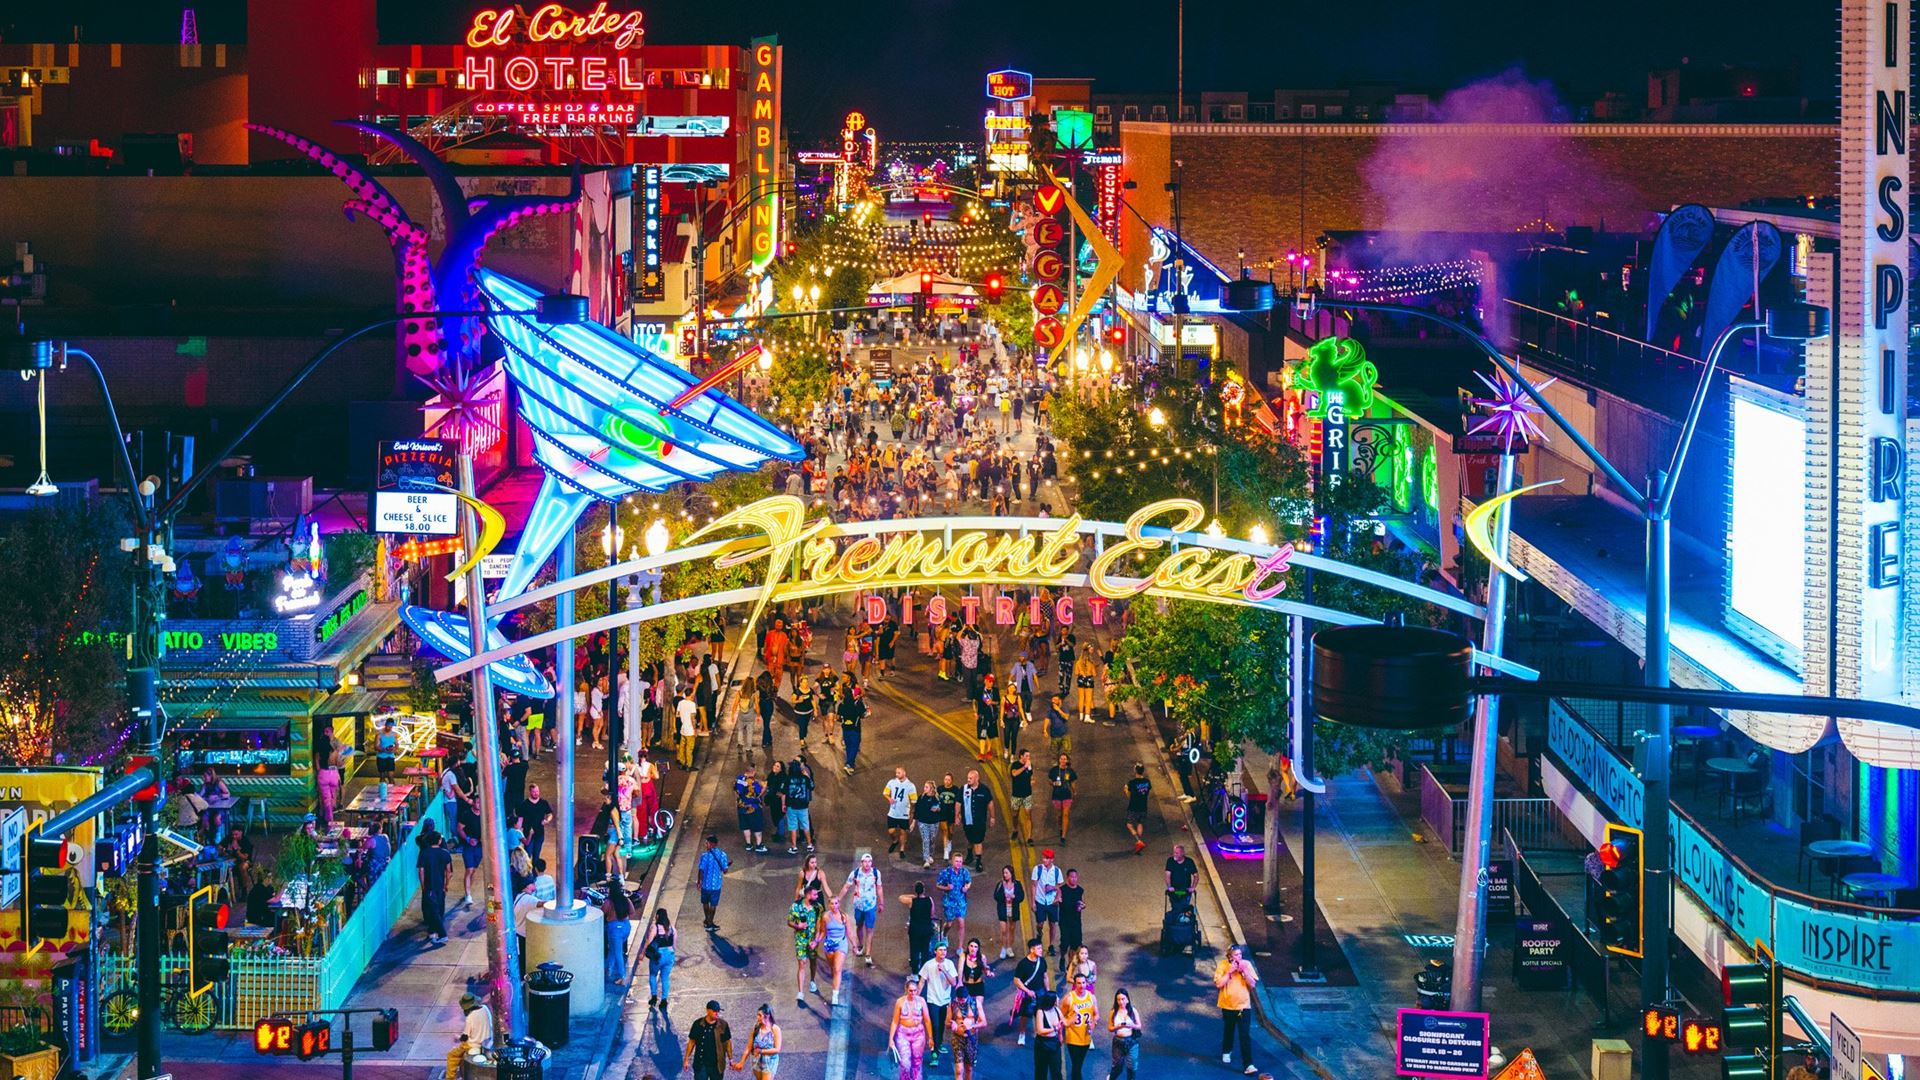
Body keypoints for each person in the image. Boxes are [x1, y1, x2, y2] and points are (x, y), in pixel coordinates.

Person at [1213, 944, 1259, 1075]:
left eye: (1240, 955)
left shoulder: (1246, 964)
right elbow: (1219, 984)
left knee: (1244, 1035)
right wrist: (1230, 972)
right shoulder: (1222, 965)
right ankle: (1227, 1050)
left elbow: (1253, 984)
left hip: (1243, 1006)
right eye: (1235, 956)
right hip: (1227, 1005)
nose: (1238, 958)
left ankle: (1248, 1064)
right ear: (1229, 957)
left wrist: (1244, 972)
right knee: (1229, 1030)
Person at [919, 940, 960, 1064]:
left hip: (945, 1000)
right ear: (935, 951)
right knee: (935, 1025)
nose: (943, 952)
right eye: (941, 950)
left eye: (945, 950)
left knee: (942, 1024)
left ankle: (939, 1043)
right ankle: (934, 1052)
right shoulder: (928, 965)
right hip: (933, 1000)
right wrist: (916, 996)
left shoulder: (949, 964)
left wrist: (944, 971)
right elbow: (922, 981)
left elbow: (953, 983)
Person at [840, 851, 884, 963]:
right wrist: (838, 899)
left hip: (871, 905)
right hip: (858, 905)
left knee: (869, 929)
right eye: (865, 862)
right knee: (859, 925)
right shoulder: (855, 873)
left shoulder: (875, 873)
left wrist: (881, 903)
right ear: (861, 863)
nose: (868, 864)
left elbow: (879, 888)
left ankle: (868, 953)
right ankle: (860, 945)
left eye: (870, 861)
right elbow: (846, 887)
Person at [889, 975, 931, 1080]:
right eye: (910, 991)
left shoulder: (921, 1001)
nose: (913, 993)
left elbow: (927, 1020)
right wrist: (891, 1039)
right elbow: (895, 1021)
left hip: (918, 1035)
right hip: (903, 1034)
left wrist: (931, 1037)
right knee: (905, 1063)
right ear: (906, 990)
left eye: (915, 991)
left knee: (917, 1060)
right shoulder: (900, 1002)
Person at [1061, 970, 1099, 1080]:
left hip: (1086, 1037)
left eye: (1083, 983)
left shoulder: (1091, 997)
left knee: (1079, 1064)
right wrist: (1067, 1022)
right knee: (1076, 1065)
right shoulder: (1069, 999)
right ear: (1074, 984)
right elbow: (1060, 1015)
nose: (1082, 985)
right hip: (1073, 1038)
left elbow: (1096, 1015)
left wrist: (1093, 1023)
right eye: (1079, 983)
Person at [814, 894, 851, 1005]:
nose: (834, 905)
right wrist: (815, 942)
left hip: (841, 944)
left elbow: (849, 932)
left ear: (838, 904)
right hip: (829, 945)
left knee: (837, 969)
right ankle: (836, 984)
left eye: (836, 903)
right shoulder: (825, 917)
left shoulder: (844, 917)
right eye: (832, 903)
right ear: (829, 905)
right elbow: (823, 932)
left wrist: (855, 945)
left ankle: (835, 995)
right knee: (832, 968)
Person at [1011, 938, 1049, 1046]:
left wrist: (1048, 991)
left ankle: (1039, 1033)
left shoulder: (1042, 961)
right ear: (1032, 950)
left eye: (1041, 948)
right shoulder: (1023, 964)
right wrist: (1027, 991)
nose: (1041, 950)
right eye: (1039, 948)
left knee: (1040, 1013)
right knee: (1025, 1015)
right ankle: (1022, 1034)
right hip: (1027, 994)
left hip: (1040, 991)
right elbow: (1016, 980)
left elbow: (1045, 976)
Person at [788, 884, 821, 1004]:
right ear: (807, 895)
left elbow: (819, 926)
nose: (817, 896)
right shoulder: (795, 906)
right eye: (815, 894)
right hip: (800, 940)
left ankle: (812, 980)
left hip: (812, 941)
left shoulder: (818, 907)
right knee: (802, 963)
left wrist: (816, 940)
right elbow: (789, 921)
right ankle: (800, 992)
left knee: (813, 961)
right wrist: (798, 926)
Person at [448, 992, 492, 1080]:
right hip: (487, 1044)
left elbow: (465, 1036)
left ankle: (450, 1078)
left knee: (452, 1056)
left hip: (473, 1045)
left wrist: (458, 1038)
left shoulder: (470, 1017)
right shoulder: (485, 1008)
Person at [733, 1003, 783, 1079]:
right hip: (756, 1062)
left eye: (760, 1015)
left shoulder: (775, 1029)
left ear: (767, 1016)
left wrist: (761, 1051)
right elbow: (748, 1047)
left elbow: (777, 1049)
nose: (757, 1017)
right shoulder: (756, 1028)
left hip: (769, 1062)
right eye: (757, 1015)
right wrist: (741, 1062)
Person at [685, 1000, 732, 1080]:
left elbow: (727, 1043)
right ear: (707, 1010)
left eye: (718, 1011)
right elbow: (691, 1042)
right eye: (714, 1011)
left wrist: (731, 1059)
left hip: (717, 1065)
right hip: (701, 1064)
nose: (717, 1013)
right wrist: (686, 1059)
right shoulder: (698, 1024)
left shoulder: (723, 1025)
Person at [419, 830, 451, 945]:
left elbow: (421, 871)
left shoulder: (424, 853)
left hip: (429, 887)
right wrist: (446, 885)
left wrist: (423, 886)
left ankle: (442, 934)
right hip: (440, 887)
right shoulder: (445, 853)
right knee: (439, 909)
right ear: (439, 840)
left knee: (433, 910)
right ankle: (432, 932)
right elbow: (449, 872)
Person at [1030, 849, 1064, 955]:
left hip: (1052, 902)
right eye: (1044, 857)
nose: (1044, 860)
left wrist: (1053, 890)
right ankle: (1039, 934)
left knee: (1052, 924)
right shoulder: (1037, 869)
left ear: (1052, 860)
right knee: (1040, 923)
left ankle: (1051, 945)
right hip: (1040, 901)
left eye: (1047, 858)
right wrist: (1033, 902)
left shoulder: (1057, 871)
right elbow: (1033, 885)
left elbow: (1060, 886)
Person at [948, 987, 986, 1080]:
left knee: (968, 1069)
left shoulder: (975, 1003)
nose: (961, 1002)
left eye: (963, 999)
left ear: (967, 996)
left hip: (971, 1038)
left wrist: (972, 1026)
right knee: (959, 1070)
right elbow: (947, 1023)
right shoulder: (953, 1004)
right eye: (959, 999)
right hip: (957, 1038)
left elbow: (984, 1022)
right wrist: (951, 1024)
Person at [936, 853, 973, 946]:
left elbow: (969, 882)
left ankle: (960, 947)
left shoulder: (965, 872)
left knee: (961, 923)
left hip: (961, 902)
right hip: (949, 902)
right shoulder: (945, 873)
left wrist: (966, 887)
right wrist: (947, 888)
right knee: (949, 924)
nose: (959, 863)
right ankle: (944, 935)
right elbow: (938, 885)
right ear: (952, 861)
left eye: (960, 861)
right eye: (956, 861)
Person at [1106, 989, 1143, 1080]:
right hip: (1118, 1041)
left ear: (1127, 999)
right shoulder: (1113, 1011)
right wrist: (1117, 1027)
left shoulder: (1133, 1011)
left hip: (1131, 1041)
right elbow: (1110, 1028)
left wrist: (1132, 1025)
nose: (1121, 1002)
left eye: (1123, 999)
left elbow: (1139, 1026)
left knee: (1132, 1066)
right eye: (1118, 999)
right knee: (1117, 1066)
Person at [901, 881, 937, 972]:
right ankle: (924, 971)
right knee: (925, 950)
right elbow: (932, 914)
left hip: (915, 930)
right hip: (926, 929)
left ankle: (915, 972)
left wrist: (913, 896)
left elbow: (900, 897)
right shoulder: (930, 899)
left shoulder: (911, 901)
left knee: (914, 951)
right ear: (924, 890)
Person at [697, 835, 730, 931]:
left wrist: (699, 881)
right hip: (716, 886)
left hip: (705, 885)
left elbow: (701, 870)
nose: (705, 845)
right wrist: (727, 864)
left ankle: (707, 920)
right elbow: (725, 870)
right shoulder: (722, 855)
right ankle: (710, 923)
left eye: (707, 843)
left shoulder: (704, 856)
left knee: (705, 903)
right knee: (713, 905)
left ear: (711, 844)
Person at [993, 865, 1025, 959]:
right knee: (1003, 930)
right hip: (1003, 908)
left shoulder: (1017, 884)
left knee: (1011, 929)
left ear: (1011, 874)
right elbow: (995, 896)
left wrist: (1015, 897)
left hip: (1013, 909)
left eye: (1007, 873)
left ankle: (1009, 948)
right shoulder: (1000, 884)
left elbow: (1021, 896)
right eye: (1004, 873)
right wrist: (1004, 898)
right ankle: (1003, 947)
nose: (1005, 875)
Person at [1032, 990, 1065, 1080]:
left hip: (1054, 1043)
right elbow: (1040, 1030)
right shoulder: (1040, 1011)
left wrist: (1060, 1035)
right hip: (1042, 1044)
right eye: (1056, 998)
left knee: (1056, 1070)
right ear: (1052, 1001)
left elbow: (1063, 1023)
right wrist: (1054, 1029)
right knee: (1041, 1070)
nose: (1058, 999)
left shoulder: (1057, 1010)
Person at [605, 883, 633, 985]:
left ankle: (622, 977)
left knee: (617, 953)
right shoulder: (626, 900)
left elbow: (602, 912)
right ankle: (608, 968)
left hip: (614, 929)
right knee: (613, 949)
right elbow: (632, 911)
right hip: (626, 927)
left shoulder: (609, 902)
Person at [885, 767, 917, 858]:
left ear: (904, 773)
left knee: (903, 832)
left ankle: (902, 849)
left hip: (904, 814)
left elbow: (914, 801)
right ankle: (895, 840)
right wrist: (889, 799)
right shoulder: (892, 782)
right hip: (893, 812)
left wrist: (912, 815)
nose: (896, 774)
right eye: (896, 773)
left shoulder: (910, 786)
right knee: (891, 831)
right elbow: (885, 793)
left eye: (898, 773)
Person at [785, 759, 816, 853]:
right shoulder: (804, 778)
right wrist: (807, 777)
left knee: (793, 826)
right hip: (803, 807)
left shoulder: (788, 779)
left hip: (791, 807)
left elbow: (784, 791)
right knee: (805, 826)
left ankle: (794, 847)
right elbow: (812, 786)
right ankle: (809, 845)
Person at [520, 783, 555, 867]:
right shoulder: (524, 804)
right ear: (530, 792)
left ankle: (535, 873)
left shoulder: (543, 803)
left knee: (536, 856)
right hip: (528, 834)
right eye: (534, 792)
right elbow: (520, 817)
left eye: (537, 791)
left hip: (539, 834)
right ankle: (528, 874)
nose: (536, 793)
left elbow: (550, 814)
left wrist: (547, 820)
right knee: (528, 855)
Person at [735, 767, 768, 853]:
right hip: (754, 808)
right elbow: (758, 794)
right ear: (753, 772)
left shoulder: (738, 779)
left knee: (745, 826)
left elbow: (737, 790)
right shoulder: (754, 784)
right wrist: (764, 787)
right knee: (757, 828)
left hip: (741, 807)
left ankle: (748, 844)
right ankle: (759, 845)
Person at [1048, 755, 1078, 843]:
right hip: (1056, 794)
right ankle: (1061, 827)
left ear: (1067, 760)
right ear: (1059, 760)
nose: (1063, 760)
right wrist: (1053, 783)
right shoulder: (1054, 770)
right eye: (1061, 759)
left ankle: (1063, 836)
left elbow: (1073, 782)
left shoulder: (1070, 771)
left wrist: (1074, 791)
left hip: (1067, 794)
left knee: (1065, 815)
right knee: (1059, 815)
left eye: (1065, 759)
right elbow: (1049, 780)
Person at [838, 685, 866, 774]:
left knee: (849, 746)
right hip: (855, 729)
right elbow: (863, 714)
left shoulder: (841, 705)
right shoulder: (857, 704)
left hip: (845, 729)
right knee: (855, 746)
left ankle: (850, 763)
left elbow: (838, 718)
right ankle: (849, 764)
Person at [1123, 765, 1151, 855]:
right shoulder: (1147, 782)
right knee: (1140, 823)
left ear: (1135, 771)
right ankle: (1139, 841)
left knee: (1129, 824)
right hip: (1143, 806)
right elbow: (1147, 792)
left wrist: (1126, 790)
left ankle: (1138, 841)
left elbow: (1129, 796)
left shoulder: (1132, 783)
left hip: (1134, 807)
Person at [1059, 871, 1086, 960]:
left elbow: (1083, 903)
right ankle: (1062, 956)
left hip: (1076, 922)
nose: (1074, 879)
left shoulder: (1080, 890)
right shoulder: (1062, 889)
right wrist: (1057, 900)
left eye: (1075, 877)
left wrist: (1083, 906)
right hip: (1064, 922)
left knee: (1075, 945)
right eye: (1072, 877)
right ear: (1067, 878)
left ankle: (1070, 966)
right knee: (1065, 944)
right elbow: (1055, 902)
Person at [1010, 751, 1035, 845]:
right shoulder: (1015, 765)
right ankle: (1015, 829)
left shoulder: (1029, 765)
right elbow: (1014, 774)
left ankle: (1029, 837)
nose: (1028, 757)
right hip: (1016, 795)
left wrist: (1032, 780)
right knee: (1015, 815)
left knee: (1028, 815)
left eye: (1029, 755)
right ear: (1021, 756)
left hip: (1027, 794)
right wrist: (1024, 767)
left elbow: (1031, 774)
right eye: (1026, 756)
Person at [974, 675, 1000, 762]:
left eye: (992, 681)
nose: (991, 683)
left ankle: (989, 750)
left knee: (991, 735)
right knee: (982, 734)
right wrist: (975, 712)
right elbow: (974, 701)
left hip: (992, 716)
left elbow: (998, 702)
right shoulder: (979, 690)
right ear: (985, 681)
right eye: (989, 681)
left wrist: (992, 702)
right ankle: (981, 753)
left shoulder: (995, 691)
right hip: (982, 717)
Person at [936, 772, 961, 861]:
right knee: (945, 831)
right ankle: (946, 851)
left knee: (951, 831)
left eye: (948, 780)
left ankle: (949, 841)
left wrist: (958, 814)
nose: (946, 781)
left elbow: (958, 803)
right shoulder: (940, 789)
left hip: (951, 813)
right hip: (942, 813)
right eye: (945, 779)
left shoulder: (955, 790)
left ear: (952, 781)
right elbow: (936, 800)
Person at [1164, 844, 1198, 909]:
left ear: (1182, 853)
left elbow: (1196, 876)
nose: (1174, 854)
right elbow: (1167, 875)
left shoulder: (1189, 862)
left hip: (1185, 890)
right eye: (1174, 852)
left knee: (1184, 907)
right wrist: (1169, 886)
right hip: (1174, 890)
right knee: (1175, 907)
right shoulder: (1170, 861)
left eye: (1177, 853)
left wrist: (1193, 887)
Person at [766, 760, 789, 848]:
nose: (775, 767)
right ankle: (778, 832)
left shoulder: (782, 778)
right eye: (774, 765)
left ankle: (781, 835)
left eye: (778, 766)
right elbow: (767, 784)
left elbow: (782, 793)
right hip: (773, 800)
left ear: (781, 769)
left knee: (779, 817)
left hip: (779, 802)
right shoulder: (772, 775)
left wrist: (783, 804)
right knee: (775, 816)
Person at [1073, 651, 1099, 725]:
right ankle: (1087, 717)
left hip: (1081, 680)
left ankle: (1081, 715)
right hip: (1089, 680)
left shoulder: (1078, 662)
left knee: (1081, 698)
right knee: (1088, 699)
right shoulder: (1091, 663)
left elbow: (1076, 673)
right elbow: (1094, 674)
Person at [960, 937, 989, 1002]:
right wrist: (959, 982)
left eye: (975, 947)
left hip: (978, 986)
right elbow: (960, 970)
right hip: (966, 985)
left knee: (979, 1007)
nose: (973, 948)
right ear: (968, 947)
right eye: (971, 946)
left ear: (978, 949)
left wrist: (988, 973)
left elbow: (985, 969)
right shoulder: (963, 956)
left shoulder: (982, 957)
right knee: (968, 1008)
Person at [792, 675, 816, 750]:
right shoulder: (797, 691)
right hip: (799, 712)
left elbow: (813, 700)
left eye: (806, 682)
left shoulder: (810, 690)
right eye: (804, 682)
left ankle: (803, 735)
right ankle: (801, 741)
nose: (806, 684)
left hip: (808, 711)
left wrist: (815, 709)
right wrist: (798, 700)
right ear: (800, 683)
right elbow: (793, 700)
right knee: (802, 726)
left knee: (805, 726)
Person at [677, 691, 700, 768]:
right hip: (690, 729)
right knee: (689, 748)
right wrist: (695, 729)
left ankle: (682, 762)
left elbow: (678, 714)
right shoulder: (692, 704)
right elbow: (692, 718)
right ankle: (688, 765)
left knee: (682, 746)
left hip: (683, 728)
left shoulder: (680, 703)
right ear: (690, 695)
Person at [1045, 695, 1072, 761]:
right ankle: (1055, 767)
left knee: (1066, 751)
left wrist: (1058, 710)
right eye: (1052, 700)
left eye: (1055, 700)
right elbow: (1047, 718)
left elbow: (1066, 717)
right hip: (1054, 734)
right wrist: (1044, 729)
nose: (1053, 701)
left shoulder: (1064, 707)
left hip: (1064, 734)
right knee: (1054, 753)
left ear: (1059, 700)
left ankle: (1066, 766)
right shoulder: (1050, 708)